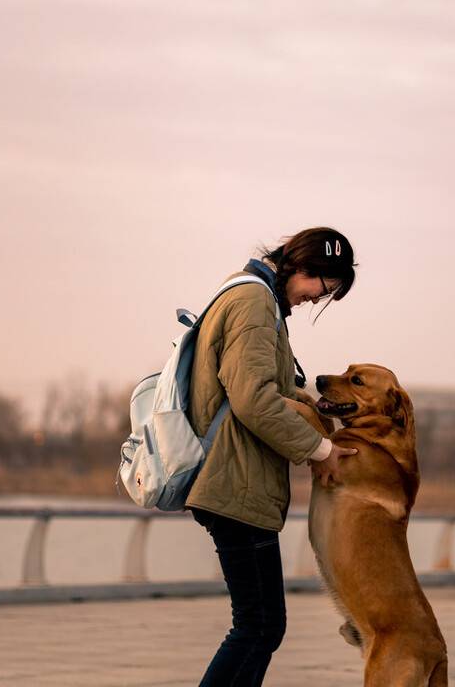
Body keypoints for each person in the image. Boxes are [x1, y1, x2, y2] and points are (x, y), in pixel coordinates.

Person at [186, 226, 359, 686]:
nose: (316, 299)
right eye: (323, 288)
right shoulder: (254, 303)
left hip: (240, 485)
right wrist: (319, 450)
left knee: (260, 627)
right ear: (303, 266)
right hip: (235, 484)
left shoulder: (259, 301)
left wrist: (316, 407)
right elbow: (253, 399)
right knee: (258, 627)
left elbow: (275, 391)